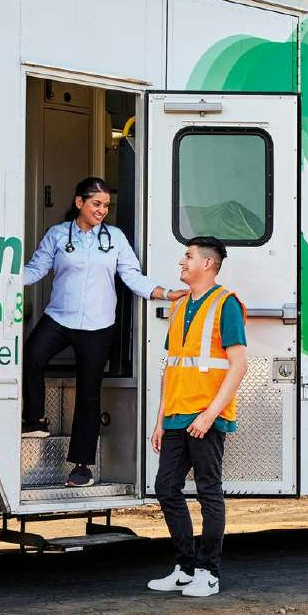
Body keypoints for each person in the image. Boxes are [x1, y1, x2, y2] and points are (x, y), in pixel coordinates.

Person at [22, 176, 184, 487]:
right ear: (79, 203)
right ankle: (36, 419)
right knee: (31, 356)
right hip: (59, 317)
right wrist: (2, 277)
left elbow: (132, 276)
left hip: (98, 327)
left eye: (106, 205)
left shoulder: (116, 238)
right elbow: (36, 269)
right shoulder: (57, 235)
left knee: (88, 395)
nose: (102, 210)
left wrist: (163, 293)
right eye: (96, 204)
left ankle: (82, 467)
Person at [146, 236, 248, 598]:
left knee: (209, 491)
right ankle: (185, 567)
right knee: (166, 488)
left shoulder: (226, 304)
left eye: (187, 256)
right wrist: (159, 419)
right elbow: (170, 368)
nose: (181, 262)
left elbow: (239, 366)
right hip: (175, 414)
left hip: (206, 415)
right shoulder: (179, 307)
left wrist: (210, 414)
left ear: (208, 263)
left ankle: (209, 571)